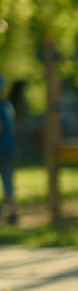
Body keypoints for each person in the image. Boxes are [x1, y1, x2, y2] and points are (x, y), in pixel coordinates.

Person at [0, 76, 17, 225]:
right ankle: (12, 214)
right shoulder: (8, 105)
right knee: (8, 183)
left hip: (1, 149)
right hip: (10, 148)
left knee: (7, 183)